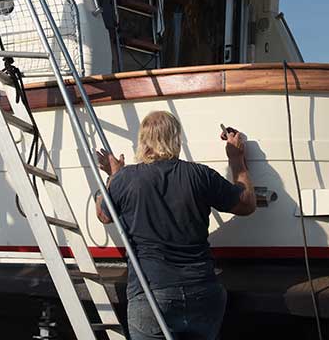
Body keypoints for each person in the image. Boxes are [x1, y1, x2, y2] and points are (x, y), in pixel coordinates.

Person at [95, 111, 256, 340]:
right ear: (176, 139)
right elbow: (246, 204)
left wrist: (114, 174)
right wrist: (236, 160)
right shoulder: (199, 175)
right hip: (203, 292)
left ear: (143, 141)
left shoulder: (126, 178)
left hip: (151, 295)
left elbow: (103, 215)